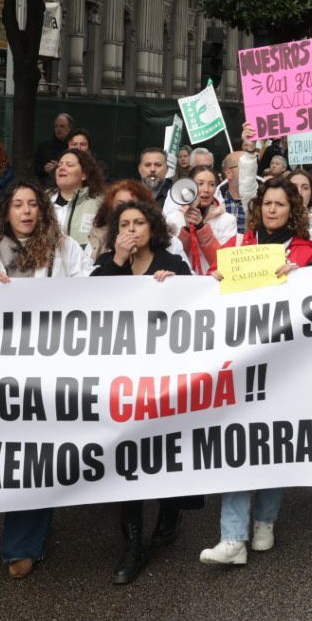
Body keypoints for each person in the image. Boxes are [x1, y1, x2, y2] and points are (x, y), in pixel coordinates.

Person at [200, 179, 312, 568]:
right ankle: (232, 536)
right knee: (237, 441)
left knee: (272, 440)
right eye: (267, 203)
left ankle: (265, 520)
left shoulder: (307, 252)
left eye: (280, 204)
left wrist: (302, 277)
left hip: (285, 363)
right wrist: (213, 278)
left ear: (292, 210)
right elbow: (212, 282)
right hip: (240, 359)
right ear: (258, 208)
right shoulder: (238, 247)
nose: (273, 209)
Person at [91, 200, 191, 583]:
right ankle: (133, 543)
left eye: (139, 223)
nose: (131, 229)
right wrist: (118, 260)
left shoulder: (172, 263)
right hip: (122, 382)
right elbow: (90, 303)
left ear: (153, 228)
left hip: (162, 380)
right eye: (124, 224)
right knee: (128, 457)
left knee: (164, 451)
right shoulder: (107, 264)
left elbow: (197, 305)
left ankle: (170, 510)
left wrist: (175, 287)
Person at [0, 178, 92, 282]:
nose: (27, 210)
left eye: (33, 204)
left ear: (41, 211)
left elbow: (87, 278)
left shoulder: (63, 244)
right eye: (18, 205)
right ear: (6, 213)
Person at [50, 148, 105, 247]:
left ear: (84, 174)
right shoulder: (42, 200)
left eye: (69, 165)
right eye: (59, 165)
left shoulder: (100, 204)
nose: (62, 168)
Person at [36, 112, 74, 180]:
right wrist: (45, 169)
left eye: (62, 126)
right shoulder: (44, 146)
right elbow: (35, 168)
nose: (58, 129)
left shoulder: (74, 146)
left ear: (69, 128)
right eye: (56, 126)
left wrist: (59, 167)